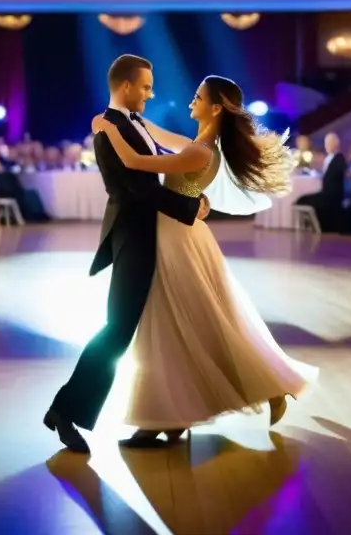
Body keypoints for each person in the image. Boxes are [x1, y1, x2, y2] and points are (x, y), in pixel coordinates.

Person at [90, 74, 316, 448]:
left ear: (215, 107)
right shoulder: (198, 144)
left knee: (186, 320)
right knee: (191, 321)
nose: (190, 101)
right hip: (179, 231)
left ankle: (179, 413)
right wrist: (131, 119)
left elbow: (134, 161)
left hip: (178, 236)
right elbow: (158, 138)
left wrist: (107, 129)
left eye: (198, 97)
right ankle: (179, 413)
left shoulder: (201, 151)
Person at [43, 55, 206, 454]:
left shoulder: (129, 124)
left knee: (156, 324)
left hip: (147, 232)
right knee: (118, 328)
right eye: (146, 86)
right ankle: (65, 410)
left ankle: (169, 415)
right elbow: (137, 189)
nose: (151, 94)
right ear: (127, 86)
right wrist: (191, 206)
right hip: (134, 235)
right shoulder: (110, 129)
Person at [295, 132, 345, 232]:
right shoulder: (329, 158)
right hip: (327, 193)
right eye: (326, 143)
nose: (326, 146)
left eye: (329, 143)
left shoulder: (339, 158)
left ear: (335, 144)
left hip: (331, 196)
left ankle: (313, 227)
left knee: (302, 201)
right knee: (300, 200)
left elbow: (334, 178)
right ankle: (312, 227)